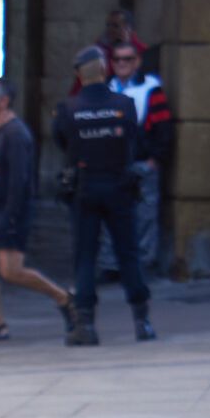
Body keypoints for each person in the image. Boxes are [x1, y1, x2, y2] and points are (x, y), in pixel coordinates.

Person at [54, 45, 156, 345]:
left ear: (78, 75)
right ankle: (142, 321)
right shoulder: (124, 105)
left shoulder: (67, 109)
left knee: (85, 256)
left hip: (85, 187)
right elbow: (135, 143)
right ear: (104, 70)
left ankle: (86, 325)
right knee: (129, 254)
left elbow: (63, 142)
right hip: (120, 186)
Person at [0, 76, 72, 343]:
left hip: (10, 211)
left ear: (4, 101)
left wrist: (9, 218)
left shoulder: (16, 134)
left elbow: (20, 182)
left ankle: (64, 298)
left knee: (11, 271)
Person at [101, 42, 172, 279]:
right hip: (111, 163)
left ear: (137, 61)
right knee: (109, 214)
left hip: (142, 161)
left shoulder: (152, 90)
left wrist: (154, 159)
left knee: (144, 215)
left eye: (127, 59)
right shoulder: (105, 89)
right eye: (118, 59)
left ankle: (141, 263)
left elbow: (163, 127)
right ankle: (112, 265)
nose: (122, 63)